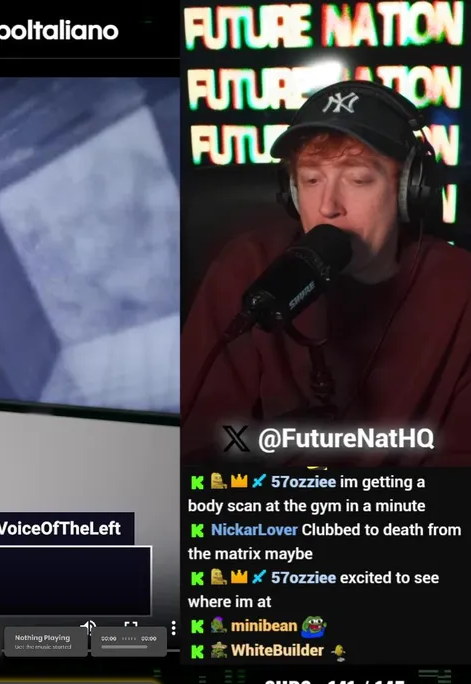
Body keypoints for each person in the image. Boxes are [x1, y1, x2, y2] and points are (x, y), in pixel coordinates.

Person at [182, 81, 471, 466]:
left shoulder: (460, 288)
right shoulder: (247, 266)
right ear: (292, 193)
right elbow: (198, 448)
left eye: (358, 179)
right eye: (312, 180)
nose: (328, 207)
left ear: (408, 191)